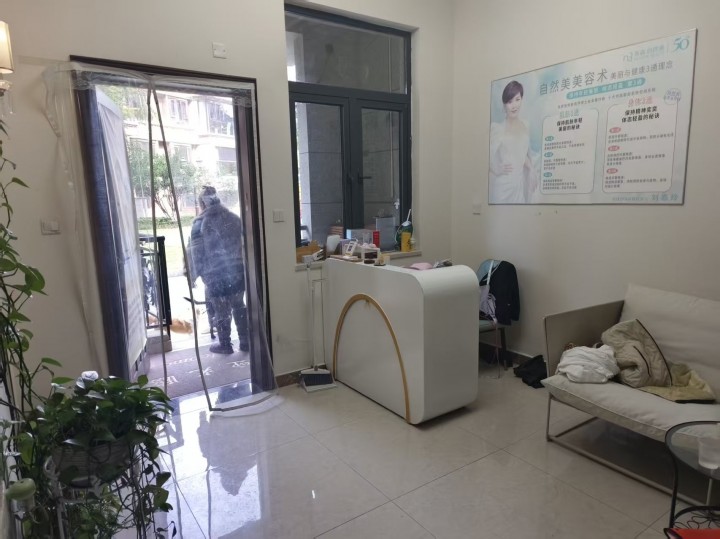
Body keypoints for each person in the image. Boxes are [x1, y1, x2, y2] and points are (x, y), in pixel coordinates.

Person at [187, 185, 249, 354]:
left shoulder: (199, 224)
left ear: (202, 203)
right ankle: (245, 341)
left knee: (221, 310)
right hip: (238, 271)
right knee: (239, 305)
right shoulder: (235, 218)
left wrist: (193, 275)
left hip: (215, 275)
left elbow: (196, 253)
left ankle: (225, 344)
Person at [489, 80, 538, 203]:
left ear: (522, 99)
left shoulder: (525, 125)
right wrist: (496, 168)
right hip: (503, 189)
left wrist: (531, 169)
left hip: (518, 187)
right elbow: (487, 157)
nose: (514, 105)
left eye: (517, 99)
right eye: (509, 102)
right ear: (504, 105)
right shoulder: (497, 128)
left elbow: (521, 154)